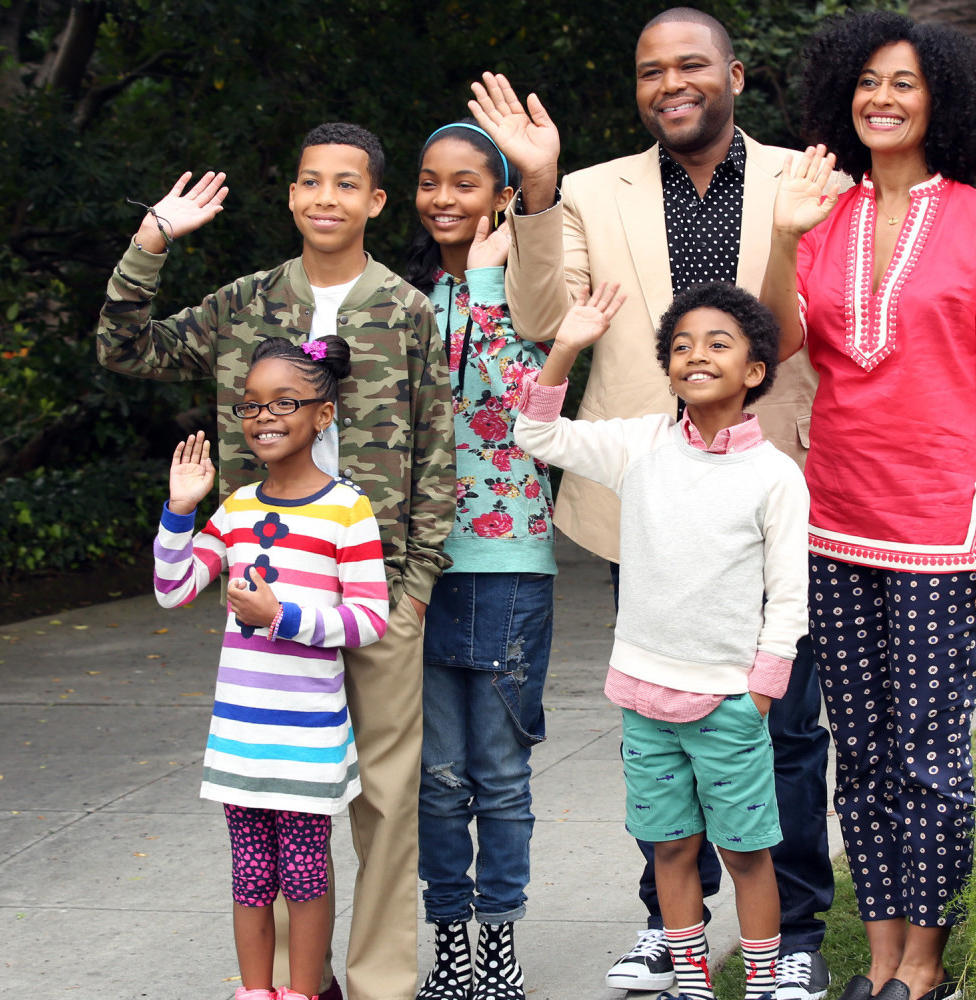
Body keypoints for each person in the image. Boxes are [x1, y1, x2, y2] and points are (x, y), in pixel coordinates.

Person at [469, 10, 836, 999]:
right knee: (665, 733)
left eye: (691, 66)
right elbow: (545, 317)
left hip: (767, 484)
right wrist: (536, 190)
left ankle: (793, 929)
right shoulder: (585, 192)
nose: (669, 84)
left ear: (736, 75)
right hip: (653, 496)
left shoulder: (808, 182)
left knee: (785, 730)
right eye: (649, 72)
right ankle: (668, 931)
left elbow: (803, 331)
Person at [96, 122, 456, 1000]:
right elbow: (123, 346)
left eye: (345, 184)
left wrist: (414, 590)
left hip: (372, 592)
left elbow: (440, 449)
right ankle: (304, 982)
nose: (323, 198)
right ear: (291, 196)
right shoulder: (243, 303)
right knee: (281, 804)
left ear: (374, 201)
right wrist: (151, 242)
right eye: (308, 182)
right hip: (267, 600)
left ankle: (376, 983)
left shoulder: (406, 308)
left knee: (382, 803)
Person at [758, 11, 976, 1000]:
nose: (881, 98)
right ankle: (877, 958)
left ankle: (925, 965)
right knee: (865, 754)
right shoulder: (818, 215)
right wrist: (784, 235)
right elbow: (774, 346)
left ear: (939, 102)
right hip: (836, 515)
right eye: (868, 82)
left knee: (929, 754)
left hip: (943, 522)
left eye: (904, 83)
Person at [515, 281, 808, 1000]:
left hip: (730, 703)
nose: (695, 356)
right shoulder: (641, 444)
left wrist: (762, 691)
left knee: (745, 852)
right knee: (671, 847)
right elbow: (537, 435)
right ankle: (690, 980)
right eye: (680, 346)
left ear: (755, 372)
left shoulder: (774, 475)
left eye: (717, 344)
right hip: (643, 695)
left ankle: (768, 982)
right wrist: (567, 347)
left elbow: (790, 596)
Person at [154, 336, 387, 1000]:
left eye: (284, 402)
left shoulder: (347, 510)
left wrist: (281, 616)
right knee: (251, 877)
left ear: (323, 414)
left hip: (307, 739)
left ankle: (304, 992)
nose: (263, 417)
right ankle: (257, 992)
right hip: (240, 740)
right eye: (250, 405)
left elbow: (369, 620)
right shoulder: (236, 509)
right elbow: (173, 588)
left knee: (307, 876)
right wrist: (179, 509)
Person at [401, 119, 555, 1000]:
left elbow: (520, 397)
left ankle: (499, 943)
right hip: (418, 567)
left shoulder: (527, 290)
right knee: (436, 775)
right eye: (430, 181)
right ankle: (449, 941)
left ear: (501, 197)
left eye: (466, 182)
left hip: (506, 564)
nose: (444, 198)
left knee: (498, 774)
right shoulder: (403, 298)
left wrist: (493, 276)